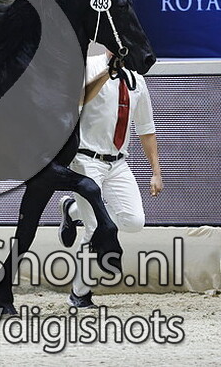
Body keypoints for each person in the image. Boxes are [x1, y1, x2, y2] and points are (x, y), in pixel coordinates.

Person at [58, 51, 163, 308]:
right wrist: (108, 72)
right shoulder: (87, 65)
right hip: (86, 159)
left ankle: (71, 210)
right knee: (95, 228)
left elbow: (146, 129)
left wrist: (156, 171)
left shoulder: (137, 80)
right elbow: (76, 99)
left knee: (134, 221)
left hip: (117, 162)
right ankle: (79, 294)